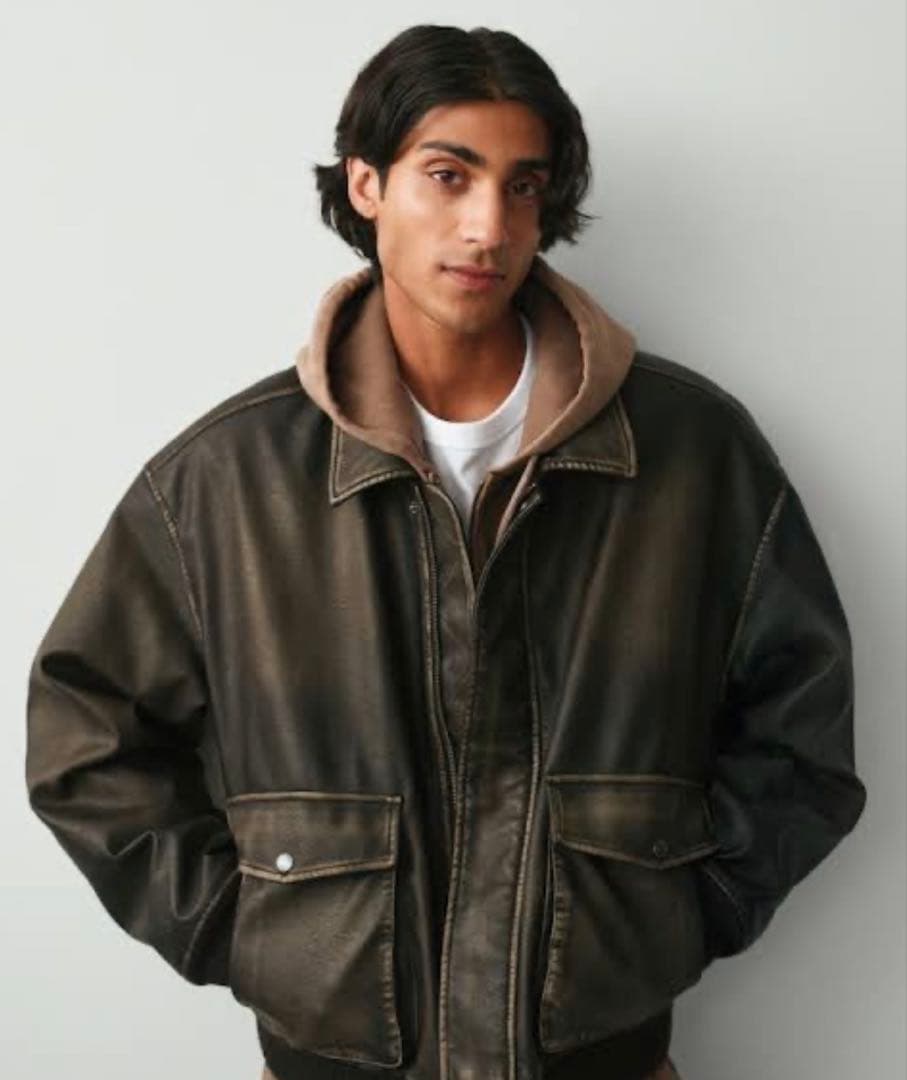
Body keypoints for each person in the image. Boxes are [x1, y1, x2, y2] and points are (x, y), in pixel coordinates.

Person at [25, 23, 866, 1080]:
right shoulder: (227, 480)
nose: (487, 225)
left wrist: (690, 911)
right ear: (366, 184)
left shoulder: (691, 455)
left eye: (523, 186)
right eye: (447, 174)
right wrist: (244, 936)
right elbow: (85, 737)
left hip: (604, 1058)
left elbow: (800, 724)